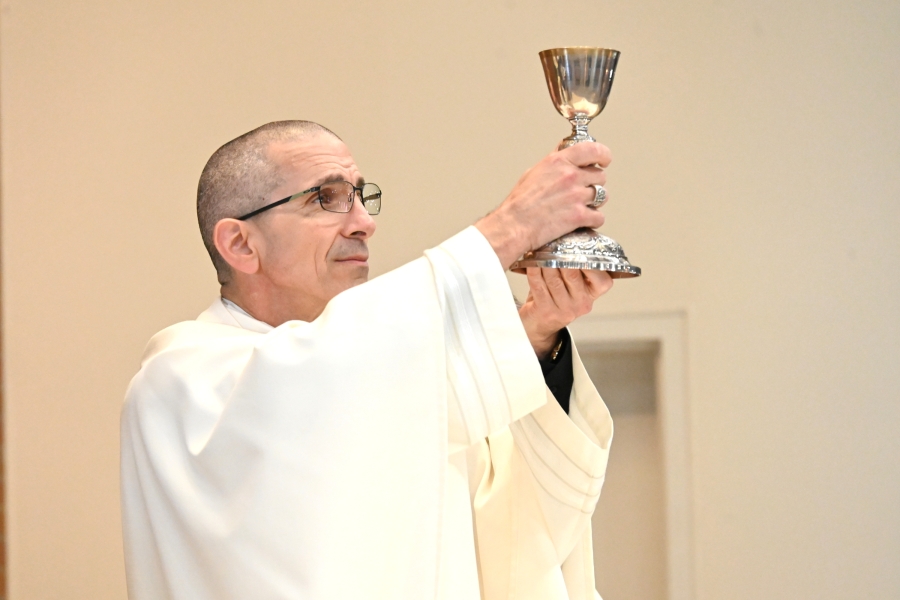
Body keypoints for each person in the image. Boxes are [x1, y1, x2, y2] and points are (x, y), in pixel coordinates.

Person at [121, 120, 615, 600]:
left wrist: (534, 335)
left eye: (361, 195)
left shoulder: (389, 375)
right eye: (326, 198)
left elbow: (510, 533)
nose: (364, 223)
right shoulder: (181, 383)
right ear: (240, 244)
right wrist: (510, 226)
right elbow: (311, 395)